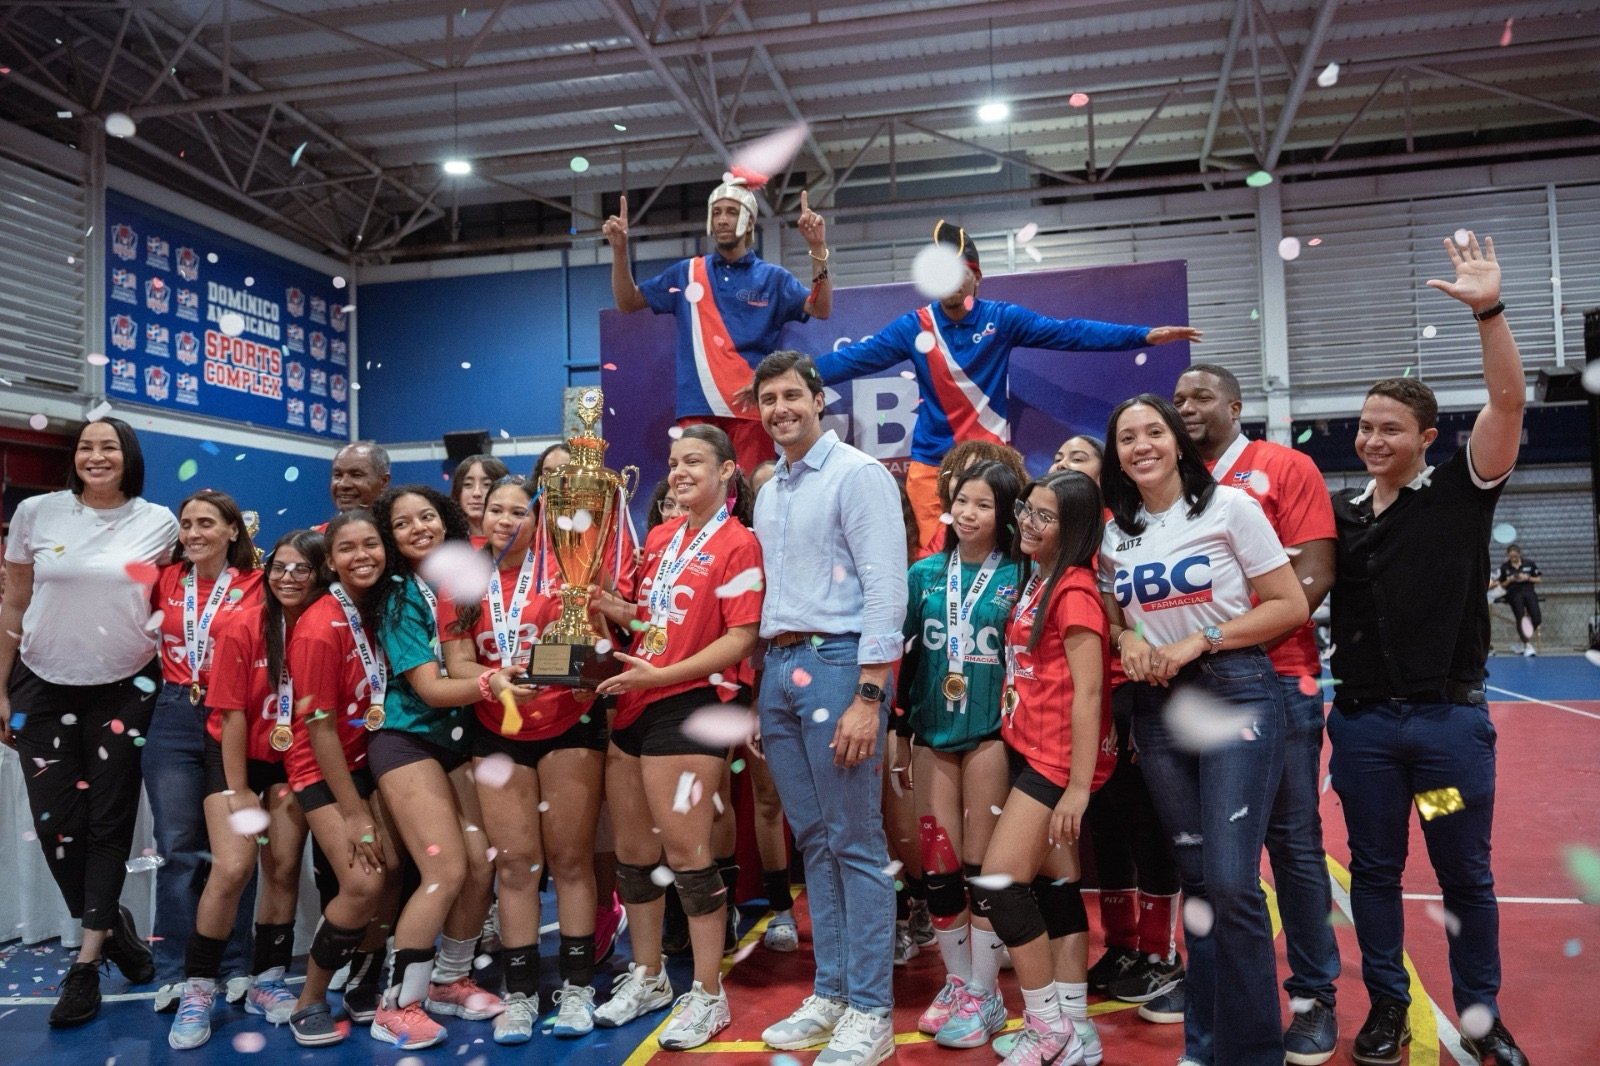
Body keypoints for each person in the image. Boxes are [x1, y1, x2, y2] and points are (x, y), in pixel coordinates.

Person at [1327, 232, 1530, 1066]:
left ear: (1426, 435)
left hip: (1442, 733)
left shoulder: (1461, 491)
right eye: (1365, 427)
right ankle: (1386, 1007)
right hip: (1368, 735)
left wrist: (1489, 310)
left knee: (1462, 879)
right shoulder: (1341, 515)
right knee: (1374, 873)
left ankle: (1482, 1020)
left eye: (1389, 428)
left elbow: (1509, 403)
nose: (1372, 439)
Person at [1100, 394, 1308, 1066]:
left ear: (1176, 442)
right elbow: (1110, 607)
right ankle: (1208, 1044)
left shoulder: (1230, 508)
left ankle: (1252, 1053)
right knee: (1196, 879)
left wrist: (1202, 639)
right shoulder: (1114, 532)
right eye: (1127, 437)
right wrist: (1125, 635)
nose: (1142, 445)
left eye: (1153, 431)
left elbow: (1290, 605)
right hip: (1157, 708)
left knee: (1229, 881)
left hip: (1234, 691)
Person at [813, 220, 1202, 546]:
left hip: (992, 467)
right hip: (931, 469)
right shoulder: (914, 326)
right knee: (933, 563)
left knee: (1005, 558)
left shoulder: (1001, 318)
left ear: (975, 277)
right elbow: (852, 360)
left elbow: (1071, 333)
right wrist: (793, 375)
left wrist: (1143, 335)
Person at [1174, 362, 1341, 1064]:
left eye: (1200, 395)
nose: (1186, 406)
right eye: (1177, 397)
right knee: (1207, 859)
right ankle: (1214, 989)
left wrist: (1231, 646)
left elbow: (1313, 575)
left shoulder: (1282, 466)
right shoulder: (1171, 487)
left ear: (1236, 405)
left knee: (1292, 844)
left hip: (1277, 682)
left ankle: (1313, 995)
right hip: (1188, 696)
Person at [750, 351, 906, 1066]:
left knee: (856, 844)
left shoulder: (857, 475)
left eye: (791, 395)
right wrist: (768, 683)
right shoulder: (769, 490)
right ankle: (834, 992)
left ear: (819, 400)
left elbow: (886, 590)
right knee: (814, 839)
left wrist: (870, 695)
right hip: (780, 667)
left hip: (841, 666)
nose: (779, 408)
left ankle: (870, 1010)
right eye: (767, 399)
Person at [589, 423, 763, 1049]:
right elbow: (646, 618)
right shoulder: (662, 535)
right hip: (636, 698)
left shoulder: (740, 544)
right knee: (635, 856)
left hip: (690, 702)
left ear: (726, 474)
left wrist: (663, 672)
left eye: (695, 461)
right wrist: (604, 603)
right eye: (673, 461)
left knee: (688, 857)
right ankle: (648, 975)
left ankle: (709, 994)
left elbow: (740, 638)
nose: (681, 470)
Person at [0, 418, 176, 1028]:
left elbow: (174, 604)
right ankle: (115, 925)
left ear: (128, 457)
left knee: (109, 823)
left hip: (126, 690)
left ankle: (87, 960)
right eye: (85, 446)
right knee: (56, 827)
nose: (95, 456)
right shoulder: (37, 513)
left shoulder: (160, 523)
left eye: (109, 447)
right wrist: (0, 683)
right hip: (41, 684)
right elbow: (14, 600)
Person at [438, 475, 608, 1046]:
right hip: (498, 731)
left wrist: (585, 676)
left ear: (539, 522)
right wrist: (495, 680)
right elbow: (457, 663)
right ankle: (519, 994)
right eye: (496, 511)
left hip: (567, 728)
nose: (506, 520)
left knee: (570, 859)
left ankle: (578, 987)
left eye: (519, 512)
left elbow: (596, 651)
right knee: (514, 864)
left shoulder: (563, 575)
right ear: (480, 518)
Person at [973, 470, 1117, 1066]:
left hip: (1056, 761)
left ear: (1074, 527)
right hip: (1033, 751)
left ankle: (1047, 1027)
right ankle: (1075, 1024)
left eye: (1045, 516)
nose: (1028, 524)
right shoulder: (1042, 579)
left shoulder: (1075, 590)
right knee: (1056, 889)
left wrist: (1077, 789)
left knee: (1002, 887)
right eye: (1027, 512)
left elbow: (1089, 696)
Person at [368, 486, 514, 1049]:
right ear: (391, 538)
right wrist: (490, 681)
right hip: (407, 741)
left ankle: (449, 982)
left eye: (427, 516)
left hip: (456, 742)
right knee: (445, 870)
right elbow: (429, 689)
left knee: (482, 863)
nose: (419, 528)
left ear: (446, 519)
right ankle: (396, 1003)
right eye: (403, 524)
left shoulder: (461, 580)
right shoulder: (400, 596)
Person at [166, 531, 320, 1049]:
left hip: (291, 763)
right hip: (233, 760)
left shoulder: (323, 628)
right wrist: (238, 792)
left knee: (281, 867)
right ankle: (198, 987)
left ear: (319, 576)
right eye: (280, 568)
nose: (288, 578)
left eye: (302, 569)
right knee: (232, 868)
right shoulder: (240, 625)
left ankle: (267, 979)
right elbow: (229, 716)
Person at [897, 461, 1023, 1045]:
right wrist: (899, 729)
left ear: (1006, 515)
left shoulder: (1020, 574)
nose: (969, 514)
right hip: (931, 730)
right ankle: (958, 984)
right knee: (938, 865)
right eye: (961, 503)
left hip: (992, 734)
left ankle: (985, 991)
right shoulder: (923, 574)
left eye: (983, 505)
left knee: (980, 867)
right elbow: (907, 660)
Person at [1066, 429, 1187, 1025]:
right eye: (1059, 458)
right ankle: (1121, 947)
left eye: (1079, 457)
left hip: (1132, 697)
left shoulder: (1124, 535)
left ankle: (1161, 954)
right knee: (1105, 832)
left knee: (1148, 828)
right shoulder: (1054, 544)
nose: (1065, 464)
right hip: (1080, 707)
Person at [603, 181, 832, 473]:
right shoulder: (686, 273)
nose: (723, 219)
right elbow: (628, 301)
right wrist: (620, 250)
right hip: (698, 409)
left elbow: (821, 307)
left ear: (749, 221)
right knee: (698, 499)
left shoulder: (773, 278)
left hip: (750, 410)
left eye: (733, 212)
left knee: (749, 497)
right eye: (717, 212)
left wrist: (817, 247)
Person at [283, 510, 401, 1047]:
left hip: (365, 759)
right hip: (321, 766)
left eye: (371, 544)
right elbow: (320, 727)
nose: (362, 556)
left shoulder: (376, 608)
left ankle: (363, 981)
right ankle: (309, 1000)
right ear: (329, 562)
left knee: (394, 869)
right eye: (348, 549)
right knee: (362, 881)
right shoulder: (316, 627)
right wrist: (354, 813)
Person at [146, 490, 264, 1014]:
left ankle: (235, 963)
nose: (194, 533)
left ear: (233, 531)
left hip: (233, 718)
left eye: (206, 524)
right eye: (187, 524)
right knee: (177, 848)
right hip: (173, 715)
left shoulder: (256, 585)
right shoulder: (165, 579)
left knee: (235, 851)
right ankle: (173, 968)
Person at [450, 454, 510, 547]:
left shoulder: (517, 542)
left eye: (487, 484)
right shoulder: (446, 544)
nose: (477, 493)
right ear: (457, 491)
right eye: (468, 484)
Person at [1496, 544, 1542, 656]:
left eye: (1515, 556)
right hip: (1514, 593)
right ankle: (1527, 645)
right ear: (1508, 556)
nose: (1514, 559)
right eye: (1511, 557)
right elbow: (1501, 585)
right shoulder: (1504, 567)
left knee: (1536, 618)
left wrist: (1527, 577)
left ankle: (1522, 640)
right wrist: (1510, 579)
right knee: (1520, 617)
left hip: (1529, 592)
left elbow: (1539, 579)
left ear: (1519, 554)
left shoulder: (1530, 564)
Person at [329, 442, 392, 516]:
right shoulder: (323, 528)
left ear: (383, 482)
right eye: (338, 475)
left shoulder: (398, 527)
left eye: (356, 475)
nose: (343, 484)